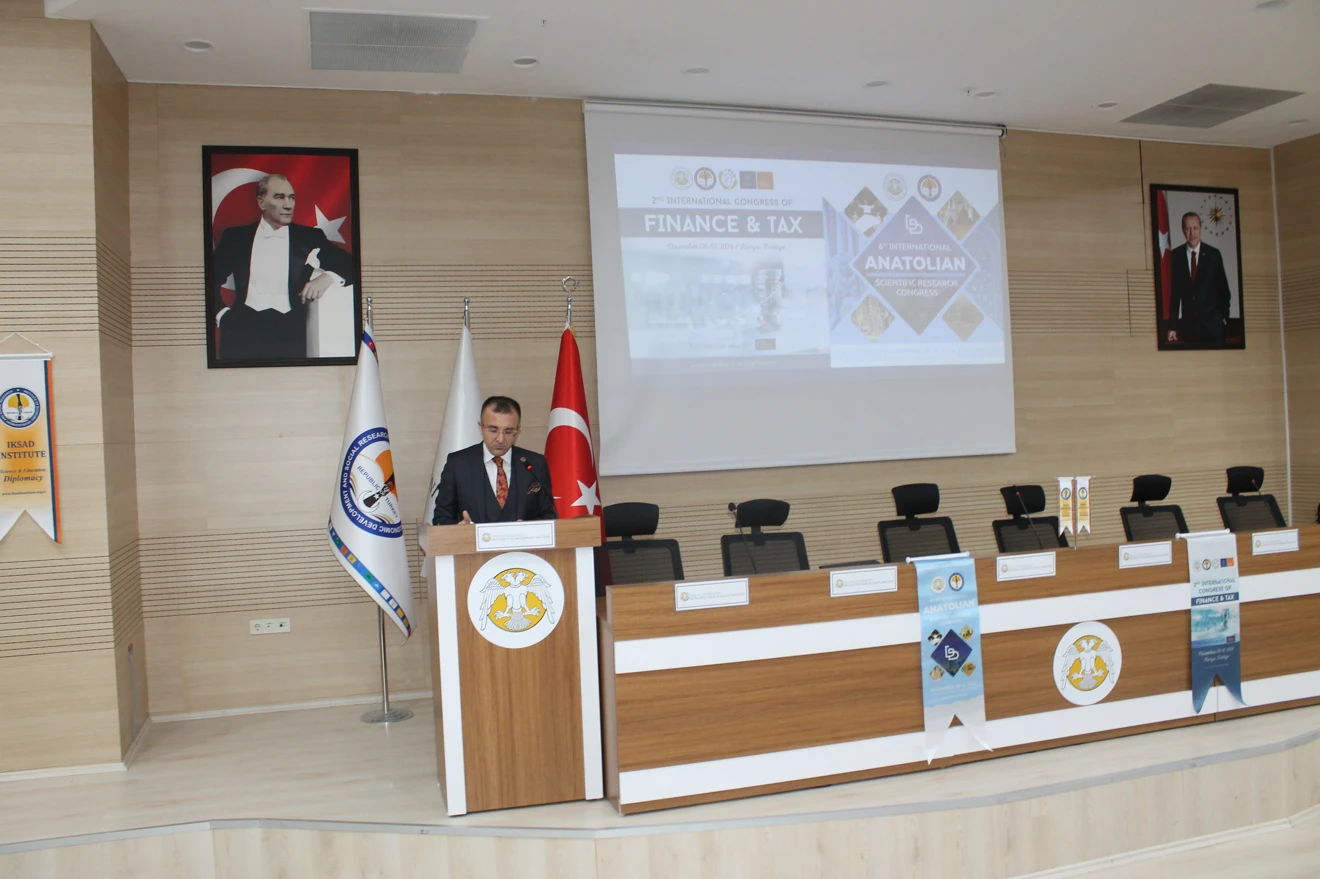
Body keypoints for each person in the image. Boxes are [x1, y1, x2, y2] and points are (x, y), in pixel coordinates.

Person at [211, 173, 357, 361]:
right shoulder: (237, 237)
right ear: (261, 202)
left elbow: (351, 264)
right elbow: (208, 279)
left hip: (291, 336)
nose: (288, 205)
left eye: (292, 198)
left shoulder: (309, 237)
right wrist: (222, 315)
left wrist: (328, 277)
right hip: (241, 335)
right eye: (279, 197)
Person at [431, 396, 558, 525]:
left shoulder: (535, 464)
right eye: (493, 430)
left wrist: (529, 528)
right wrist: (459, 530)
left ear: (517, 430)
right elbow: (441, 518)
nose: (500, 439)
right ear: (481, 427)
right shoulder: (458, 464)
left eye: (508, 431)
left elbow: (548, 515)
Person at [1167, 212, 1232, 347]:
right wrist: (1172, 326)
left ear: (1201, 229)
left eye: (1195, 228)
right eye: (1188, 228)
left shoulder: (1213, 255)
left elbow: (1224, 291)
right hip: (1189, 329)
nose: (1192, 233)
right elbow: (1174, 295)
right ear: (1183, 230)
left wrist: (1223, 318)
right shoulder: (1176, 256)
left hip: (1213, 328)